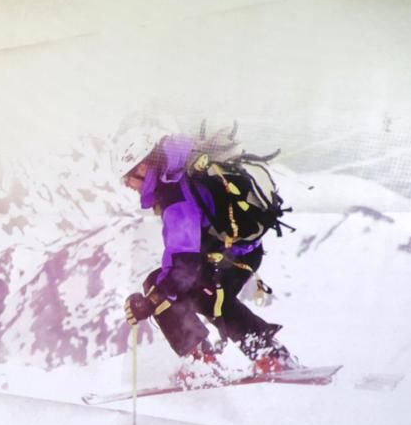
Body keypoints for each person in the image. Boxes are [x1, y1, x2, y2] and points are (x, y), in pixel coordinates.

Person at [119, 127, 298, 384]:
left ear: (144, 167)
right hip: (240, 252)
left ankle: (204, 363)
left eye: (128, 177)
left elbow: (184, 263)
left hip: (229, 257)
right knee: (205, 295)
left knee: (176, 292)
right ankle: (268, 355)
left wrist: (151, 300)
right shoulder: (178, 174)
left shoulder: (174, 193)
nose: (127, 184)